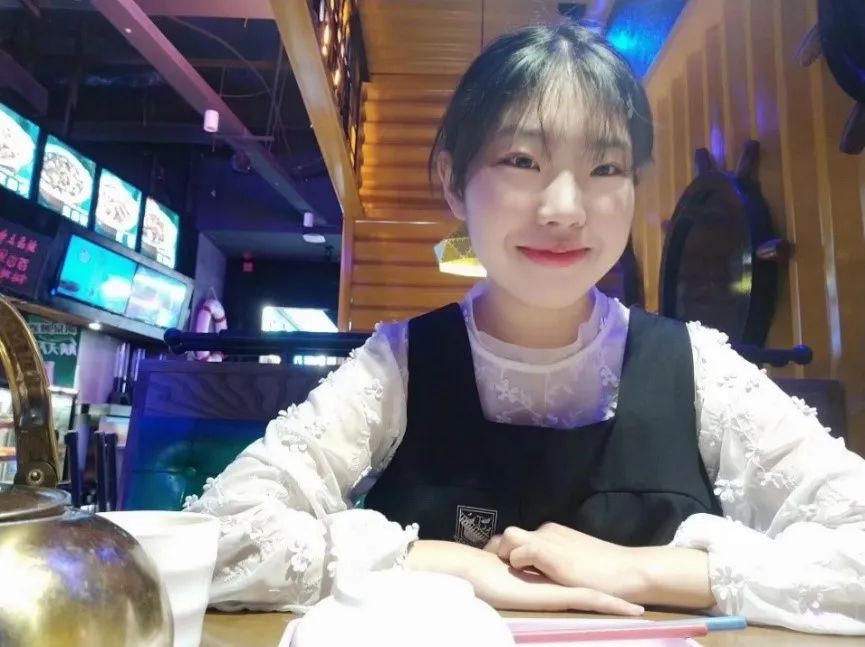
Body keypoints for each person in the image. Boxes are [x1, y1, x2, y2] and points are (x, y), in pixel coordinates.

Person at [185, 22, 865, 634]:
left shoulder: (699, 370)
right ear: (454, 181)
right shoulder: (399, 365)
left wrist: (643, 570)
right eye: (521, 161)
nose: (565, 208)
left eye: (605, 167)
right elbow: (219, 537)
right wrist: (445, 562)